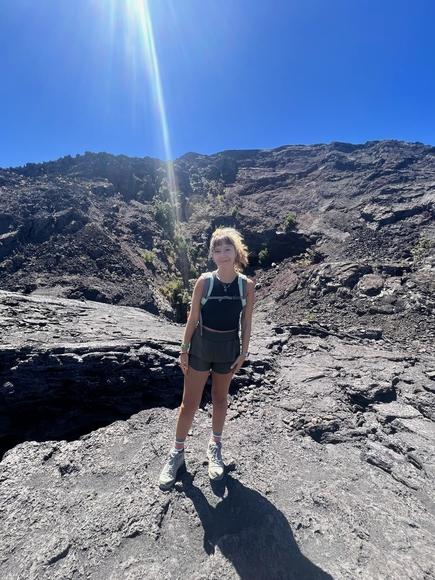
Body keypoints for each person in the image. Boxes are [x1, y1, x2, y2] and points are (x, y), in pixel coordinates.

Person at [159, 227, 254, 490]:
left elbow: (246, 322)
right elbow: (192, 318)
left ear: (236, 251)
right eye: (218, 250)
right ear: (212, 254)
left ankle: (215, 448)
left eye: (228, 249)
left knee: (220, 399)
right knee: (189, 403)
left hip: (227, 348)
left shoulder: (246, 285)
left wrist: (244, 352)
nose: (223, 255)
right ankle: (177, 454)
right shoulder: (204, 281)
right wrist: (184, 348)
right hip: (201, 345)